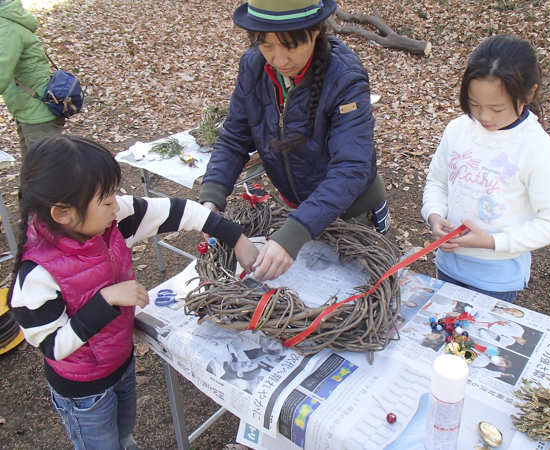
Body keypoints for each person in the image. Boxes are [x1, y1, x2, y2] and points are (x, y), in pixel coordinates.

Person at [8, 135, 259, 450]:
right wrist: (107, 300)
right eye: (106, 199)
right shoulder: (37, 276)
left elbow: (178, 211)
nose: (117, 203)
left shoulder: (112, 220)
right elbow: (54, 345)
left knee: (124, 434)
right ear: (63, 213)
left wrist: (236, 238)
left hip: (121, 364)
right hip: (84, 393)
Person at [199, 0, 388, 281]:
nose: (279, 59)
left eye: (290, 45)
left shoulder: (344, 77)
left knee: (356, 291)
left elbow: (351, 167)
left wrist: (295, 231)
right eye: (266, 45)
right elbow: (234, 138)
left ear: (315, 31)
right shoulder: (253, 67)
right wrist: (211, 196)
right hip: (299, 211)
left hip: (353, 213)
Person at [421, 34, 550, 303]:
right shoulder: (458, 129)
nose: (484, 116)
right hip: (448, 263)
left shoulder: (537, 150)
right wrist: (434, 215)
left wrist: (492, 242)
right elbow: (438, 182)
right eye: (474, 104)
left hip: (496, 278)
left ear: (530, 92)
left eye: (497, 108)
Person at [0, 0, 64, 158]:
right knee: (31, 171)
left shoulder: (6, 27)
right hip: (28, 107)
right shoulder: (10, 20)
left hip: (37, 111)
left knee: (45, 172)